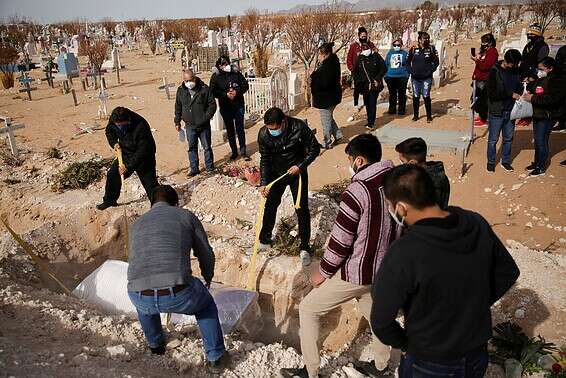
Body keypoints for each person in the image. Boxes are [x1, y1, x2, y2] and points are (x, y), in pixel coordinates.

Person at [371, 164, 520, 378]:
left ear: (401, 208)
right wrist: (471, 306)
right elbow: (507, 272)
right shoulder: (474, 223)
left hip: (430, 360)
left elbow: (381, 321)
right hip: (476, 352)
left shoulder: (405, 251)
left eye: (390, 205)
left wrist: (407, 343)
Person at [280, 134, 398, 378]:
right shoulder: (395, 181)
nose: (350, 164)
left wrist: (322, 273)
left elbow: (341, 241)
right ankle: (382, 365)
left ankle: (311, 372)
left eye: (350, 160)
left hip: (357, 271)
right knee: (376, 315)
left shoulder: (357, 191)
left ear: (360, 161)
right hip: (383, 269)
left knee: (309, 309)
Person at [127, 185, 230, 374]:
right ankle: (216, 357)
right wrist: (208, 277)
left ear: (152, 204)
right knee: (205, 304)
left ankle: (155, 345)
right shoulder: (185, 216)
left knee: (144, 303)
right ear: (175, 203)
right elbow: (205, 252)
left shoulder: (137, 223)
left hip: (138, 294)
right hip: (178, 293)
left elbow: (134, 260)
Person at [257, 107, 321, 267]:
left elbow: (315, 148)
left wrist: (300, 165)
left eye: (275, 129)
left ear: (283, 122)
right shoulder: (264, 134)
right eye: (270, 129)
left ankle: (304, 247)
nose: (272, 132)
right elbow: (264, 158)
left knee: (301, 208)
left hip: (296, 173)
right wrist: (264, 182)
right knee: (270, 205)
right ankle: (264, 240)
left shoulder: (299, 127)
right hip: (276, 174)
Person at [96, 107, 158, 210]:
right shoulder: (114, 119)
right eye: (117, 125)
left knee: (150, 183)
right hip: (125, 152)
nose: (119, 127)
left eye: (121, 125)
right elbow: (109, 132)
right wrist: (114, 143)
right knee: (113, 175)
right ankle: (110, 201)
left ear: (128, 121)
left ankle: (158, 206)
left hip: (144, 156)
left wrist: (128, 166)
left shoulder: (141, 125)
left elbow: (143, 150)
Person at [522, 57, 566, 176]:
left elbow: (552, 99)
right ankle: (536, 162)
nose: (539, 71)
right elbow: (534, 88)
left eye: (542, 69)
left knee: (542, 141)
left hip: (547, 115)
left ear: (550, 68)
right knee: (538, 140)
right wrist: (530, 83)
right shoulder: (542, 78)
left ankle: (541, 166)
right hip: (538, 113)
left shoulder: (558, 80)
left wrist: (533, 98)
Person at [485, 49, 523, 173]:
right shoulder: (495, 71)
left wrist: (520, 90)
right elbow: (491, 93)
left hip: (510, 110)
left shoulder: (516, 71)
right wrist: (510, 94)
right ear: (507, 61)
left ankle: (505, 161)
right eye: (513, 64)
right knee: (493, 139)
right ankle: (491, 162)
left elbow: (519, 86)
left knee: (508, 138)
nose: (515, 66)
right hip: (497, 110)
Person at [174, 69, 217, 176]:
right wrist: (177, 121)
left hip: (203, 125)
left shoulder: (204, 89)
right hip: (189, 126)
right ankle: (194, 168)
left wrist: (205, 117)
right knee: (192, 148)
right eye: (186, 81)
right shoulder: (181, 90)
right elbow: (178, 107)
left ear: (195, 78)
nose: (189, 83)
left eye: (190, 80)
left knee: (207, 147)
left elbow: (212, 105)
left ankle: (209, 168)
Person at [209, 55, 249, 160]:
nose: (224, 66)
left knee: (240, 128)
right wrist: (225, 94)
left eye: (226, 64)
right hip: (226, 107)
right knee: (230, 130)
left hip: (238, 105)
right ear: (218, 66)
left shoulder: (236, 73)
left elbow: (245, 85)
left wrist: (237, 92)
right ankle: (234, 151)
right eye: (222, 65)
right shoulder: (215, 77)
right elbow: (213, 91)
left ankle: (243, 151)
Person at [395, 137, 450, 209]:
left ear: (412, 163)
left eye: (402, 161)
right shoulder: (440, 174)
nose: (401, 164)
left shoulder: (420, 185)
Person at [311, 42, 343, 149]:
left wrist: (314, 77)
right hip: (331, 96)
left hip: (326, 97)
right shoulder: (332, 62)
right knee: (328, 117)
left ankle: (326, 142)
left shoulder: (328, 65)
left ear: (325, 54)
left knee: (326, 121)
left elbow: (324, 82)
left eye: (320, 53)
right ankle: (338, 135)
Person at [352, 42, 386, 130]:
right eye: (363, 48)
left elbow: (383, 68)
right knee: (367, 103)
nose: (365, 50)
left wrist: (377, 78)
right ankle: (369, 119)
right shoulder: (360, 58)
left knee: (372, 103)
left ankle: (371, 122)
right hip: (364, 86)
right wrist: (359, 81)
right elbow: (355, 71)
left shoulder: (376, 56)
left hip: (374, 85)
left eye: (367, 48)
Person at [408, 32, 439, 123]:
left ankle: (429, 116)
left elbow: (436, 62)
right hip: (415, 78)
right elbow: (407, 62)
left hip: (426, 78)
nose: (426, 40)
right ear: (420, 40)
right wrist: (411, 71)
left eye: (428, 38)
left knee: (426, 96)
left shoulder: (431, 49)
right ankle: (416, 115)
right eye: (424, 38)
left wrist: (430, 71)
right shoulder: (413, 49)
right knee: (416, 96)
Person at [347, 27, 376, 113]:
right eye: (362, 36)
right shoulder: (354, 46)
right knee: (357, 88)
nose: (364, 38)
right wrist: (352, 69)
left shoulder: (370, 44)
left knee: (366, 88)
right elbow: (349, 59)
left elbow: (375, 56)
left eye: (365, 36)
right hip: (356, 72)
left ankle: (366, 103)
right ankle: (356, 104)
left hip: (367, 72)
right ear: (359, 36)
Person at [472, 33, 498, 128]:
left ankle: (484, 118)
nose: (483, 44)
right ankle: (481, 116)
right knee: (475, 98)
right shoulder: (484, 51)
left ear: (490, 42)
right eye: (482, 42)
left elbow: (486, 66)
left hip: (485, 79)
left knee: (482, 100)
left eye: (485, 42)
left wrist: (477, 61)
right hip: (478, 78)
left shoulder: (492, 52)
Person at [384, 38, 410, 116]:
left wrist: (407, 75)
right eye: (394, 45)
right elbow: (386, 64)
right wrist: (385, 75)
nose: (396, 46)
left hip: (402, 76)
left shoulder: (405, 54)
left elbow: (408, 64)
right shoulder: (389, 53)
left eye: (398, 45)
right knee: (392, 94)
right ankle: (392, 109)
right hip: (391, 76)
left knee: (402, 94)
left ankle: (401, 110)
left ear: (401, 45)